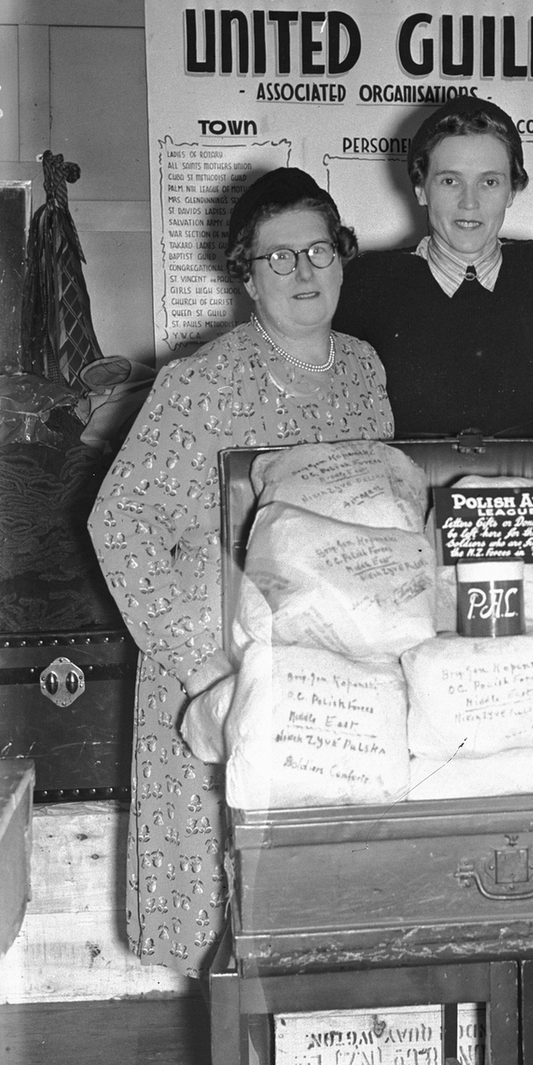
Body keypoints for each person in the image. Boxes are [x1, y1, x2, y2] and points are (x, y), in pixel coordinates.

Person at [88, 168, 393, 976]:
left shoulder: (364, 368)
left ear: (343, 257)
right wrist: (196, 663)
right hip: (215, 662)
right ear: (247, 276)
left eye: (318, 250)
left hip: (329, 659)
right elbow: (118, 520)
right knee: (228, 912)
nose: (302, 272)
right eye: (278, 257)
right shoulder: (200, 382)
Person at [337, 94, 533, 437]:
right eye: (450, 181)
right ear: (420, 188)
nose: (469, 202)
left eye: (489, 182)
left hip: (524, 482)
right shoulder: (368, 282)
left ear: (511, 192)